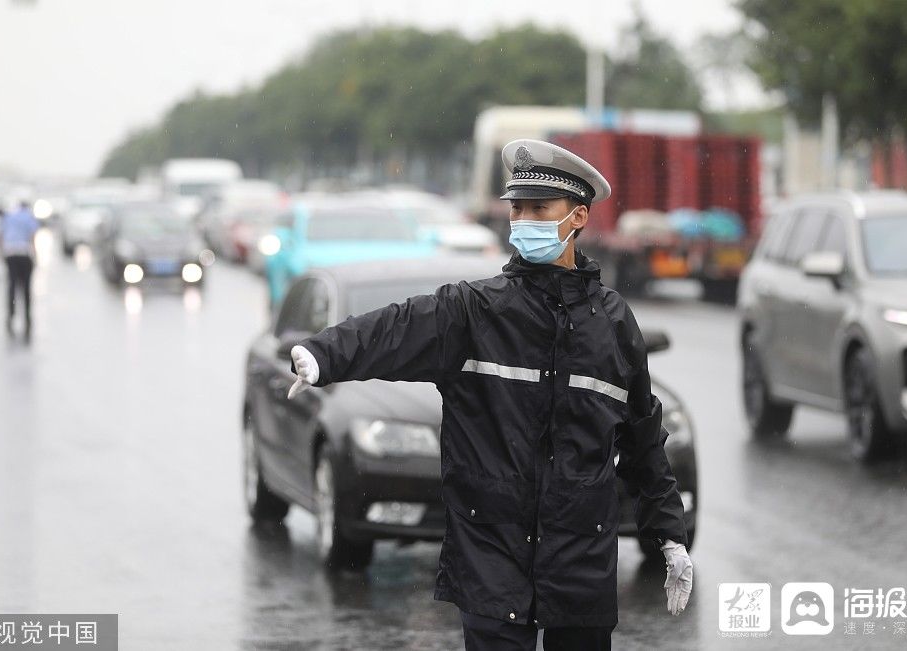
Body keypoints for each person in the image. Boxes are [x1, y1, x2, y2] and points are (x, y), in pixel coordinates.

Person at [288, 140, 693, 650]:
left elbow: (642, 436)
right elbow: (396, 327)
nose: (522, 220)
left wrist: (669, 534)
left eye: (538, 209)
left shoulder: (612, 323)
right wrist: (325, 354)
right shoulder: (475, 311)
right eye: (517, 208)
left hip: (581, 559)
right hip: (491, 551)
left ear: (579, 217)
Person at [0, 199, 39, 339]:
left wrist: (1, 253)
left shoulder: (9, 216)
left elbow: (0, 236)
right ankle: (27, 318)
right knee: (26, 288)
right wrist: (35, 255)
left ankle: (10, 317)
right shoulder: (28, 216)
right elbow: (32, 237)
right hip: (24, 254)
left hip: (10, 254)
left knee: (12, 286)